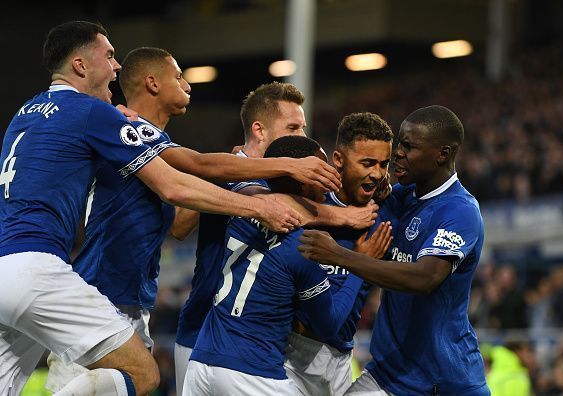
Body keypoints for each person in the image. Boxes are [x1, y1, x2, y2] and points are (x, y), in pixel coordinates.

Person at [0, 21, 302, 396]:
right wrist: (263, 202)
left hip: (8, 269)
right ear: (80, 65)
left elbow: (177, 218)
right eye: (109, 55)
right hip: (50, 273)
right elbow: (178, 181)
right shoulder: (94, 114)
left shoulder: (25, 113)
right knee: (143, 375)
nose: (115, 66)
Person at [43, 47, 345, 392]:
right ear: (153, 83)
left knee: (136, 382)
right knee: (131, 380)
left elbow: (179, 223)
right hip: (106, 296)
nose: (188, 85)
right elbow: (199, 168)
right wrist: (285, 178)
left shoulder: (153, 142)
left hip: (134, 299)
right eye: (179, 76)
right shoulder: (124, 127)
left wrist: (230, 175)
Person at [172, 83, 378, 392]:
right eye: (292, 128)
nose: (301, 137)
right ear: (259, 130)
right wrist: (342, 215)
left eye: (302, 128)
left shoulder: (244, 173)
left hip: (241, 342)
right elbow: (269, 206)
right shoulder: (240, 177)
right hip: (206, 330)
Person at [298, 105, 490, 395]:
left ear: (442, 154)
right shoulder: (399, 197)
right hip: (387, 374)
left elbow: (424, 278)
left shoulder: (459, 210)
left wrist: (341, 256)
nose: (398, 153)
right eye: (400, 143)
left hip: (445, 382)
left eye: (409, 147)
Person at [284, 112, 397, 396]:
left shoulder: (385, 212)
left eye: (384, 164)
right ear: (338, 160)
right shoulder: (310, 202)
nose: (377, 173)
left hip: (342, 358)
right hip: (292, 357)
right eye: (367, 163)